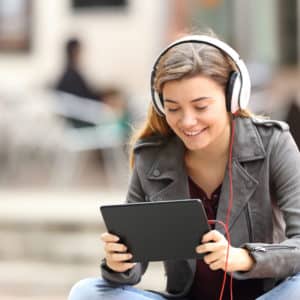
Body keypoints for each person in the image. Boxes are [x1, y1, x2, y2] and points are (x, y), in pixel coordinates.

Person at [68, 33, 300, 300]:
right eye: (173, 108)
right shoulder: (151, 157)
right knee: (86, 293)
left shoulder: (273, 143)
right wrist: (120, 263)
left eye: (200, 106)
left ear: (231, 98)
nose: (187, 121)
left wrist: (245, 257)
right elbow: (133, 268)